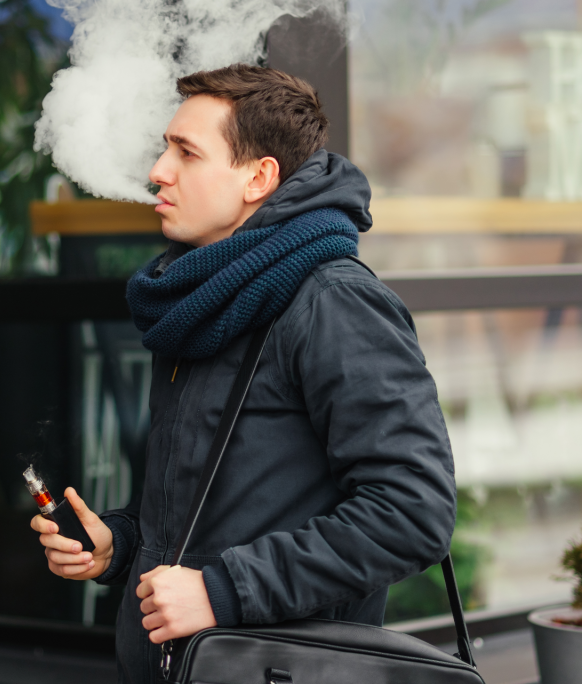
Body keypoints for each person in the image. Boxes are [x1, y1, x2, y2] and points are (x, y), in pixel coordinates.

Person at [30, 63, 457, 684]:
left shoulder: (331, 301)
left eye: (186, 152)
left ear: (259, 177)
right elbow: (219, 506)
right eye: (163, 146)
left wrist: (225, 592)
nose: (158, 170)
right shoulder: (201, 300)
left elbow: (412, 512)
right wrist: (119, 544)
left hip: (275, 670)